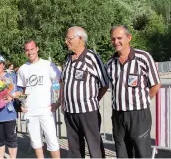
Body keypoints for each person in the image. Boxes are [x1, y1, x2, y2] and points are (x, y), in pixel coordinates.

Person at [107, 25, 161, 158]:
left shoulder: (143, 57)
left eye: (119, 38)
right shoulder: (110, 63)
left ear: (129, 38)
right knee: (122, 152)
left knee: (142, 153)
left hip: (139, 115)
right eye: (113, 39)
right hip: (118, 115)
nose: (116, 42)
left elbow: (155, 85)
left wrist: (144, 100)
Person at [57, 26, 108, 158]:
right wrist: (62, 101)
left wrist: (93, 100)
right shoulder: (68, 58)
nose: (66, 41)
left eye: (69, 38)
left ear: (80, 39)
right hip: (70, 112)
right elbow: (63, 81)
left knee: (94, 147)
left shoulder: (92, 57)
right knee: (74, 149)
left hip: (88, 112)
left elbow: (104, 84)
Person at [17, 40, 61, 158]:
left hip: (46, 109)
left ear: (37, 49)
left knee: (52, 140)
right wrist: (22, 103)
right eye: (27, 50)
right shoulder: (22, 69)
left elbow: (60, 82)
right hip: (30, 110)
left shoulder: (48, 65)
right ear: (24, 52)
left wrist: (59, 101)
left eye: (32, 49)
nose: (30, 52)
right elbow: (23, 89)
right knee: (36, 141)